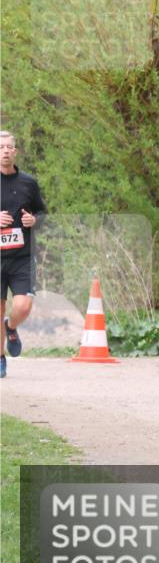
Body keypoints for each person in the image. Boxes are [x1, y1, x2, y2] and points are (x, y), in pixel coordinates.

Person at [1, 131, 47, 379]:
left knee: (23, 305)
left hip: (21, 257)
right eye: (1, 148)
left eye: (9, 147)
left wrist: (33, 220)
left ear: (16, 151)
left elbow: (42, 213)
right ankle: (0, 359)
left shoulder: (28, 182)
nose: (5, 151)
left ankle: (11, 326)